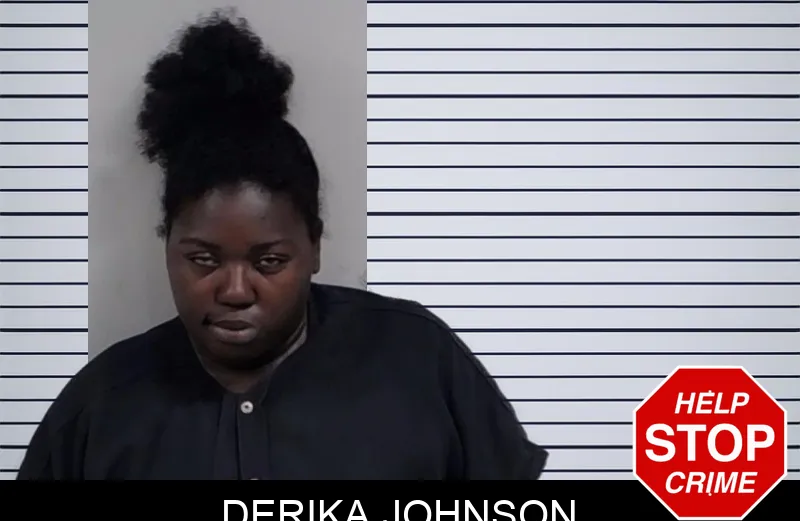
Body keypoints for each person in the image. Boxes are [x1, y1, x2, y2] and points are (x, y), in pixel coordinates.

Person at [16, 11, 547, 480]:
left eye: (269, 261)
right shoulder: (101, 408)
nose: (235, 290)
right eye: (203, 259)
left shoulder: (418, 360)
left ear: (314, 248)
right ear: (167, 246)